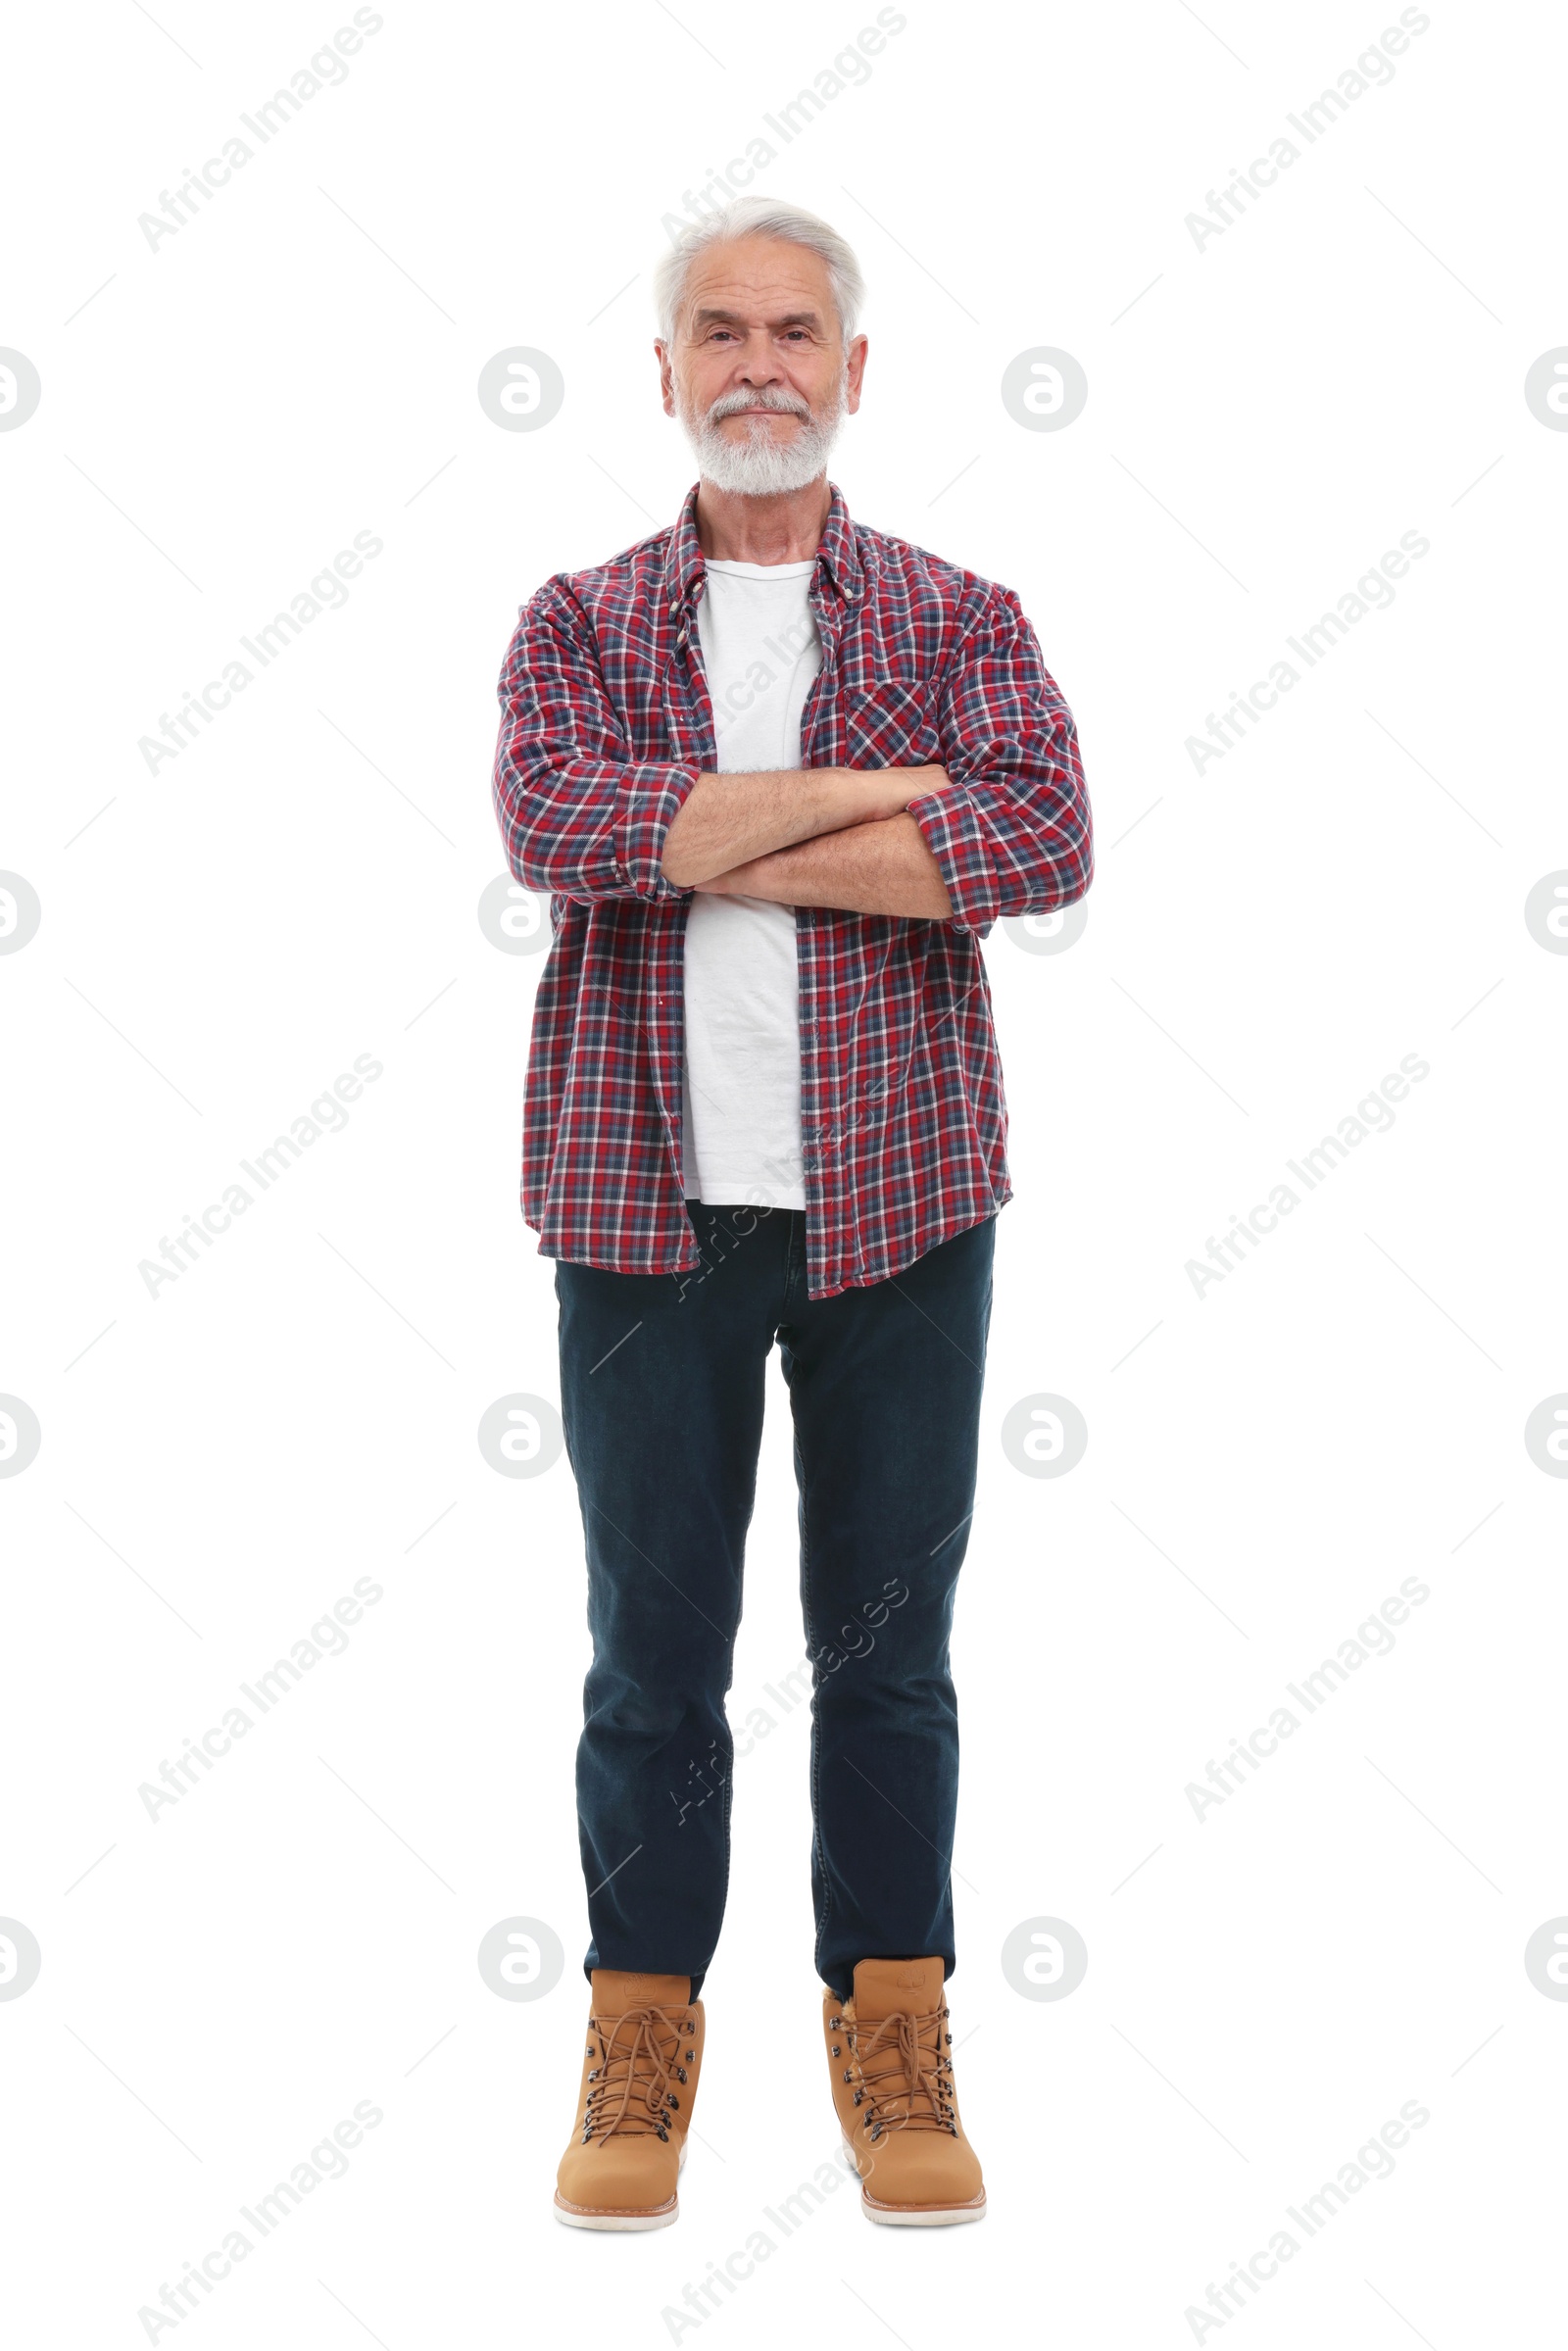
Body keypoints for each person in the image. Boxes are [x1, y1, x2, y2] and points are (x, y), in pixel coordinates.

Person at [491, 195, 1093, 2231]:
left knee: (888, 1648)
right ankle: (640, 2027)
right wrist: (887, 797)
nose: (758, 364)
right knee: (647, 1656)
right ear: (663, 371)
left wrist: (701, 835)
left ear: (852, 370)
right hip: (638, 1204)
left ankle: (891, 2016)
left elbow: (1044, 837)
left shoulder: (960, 612)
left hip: (904, 1194)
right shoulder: (574, 622)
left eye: (795, 332)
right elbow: (558, 827)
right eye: (718, 332)